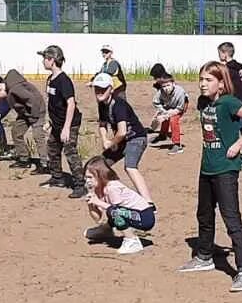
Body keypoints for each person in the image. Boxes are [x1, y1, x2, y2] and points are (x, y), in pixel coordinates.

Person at [178, 60, 242, 292]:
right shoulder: (203, 104)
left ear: (221, 83)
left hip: (226, 169)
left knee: (231, 218)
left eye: (208, 80)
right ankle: (204, 256)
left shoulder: (230, 103)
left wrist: (238, 145)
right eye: (201, 79)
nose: (203, 84)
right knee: (204, 214)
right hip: (207, 167)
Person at [92, 71, 152, 203]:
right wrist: (105, 140)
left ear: (111, 89)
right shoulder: (102, 104)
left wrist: (112, 142)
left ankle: (148, 202)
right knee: (100, 164)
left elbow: (122, 131)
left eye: (103, 88)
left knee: (130, 166)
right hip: (121, 140)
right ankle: (112, 192)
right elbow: (102, 124)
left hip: (136, 138)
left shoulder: (119, 105)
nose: (99, 91)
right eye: (97, 88)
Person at [39, 44, 86, 197]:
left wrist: (66, 128)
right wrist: (50, 122)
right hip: (57, 122)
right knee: (52, 147)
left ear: (52, 60)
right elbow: (52, 103)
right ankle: (57, 177)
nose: (43, 62)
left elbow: (71, 104)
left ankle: (80, 184)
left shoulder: (63, 80)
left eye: (45, 58)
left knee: (70, 151)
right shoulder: (50, 79)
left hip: (69, 123)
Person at [83, 157, 155, 256]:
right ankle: (106, 230)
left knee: (113, 211)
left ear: (101, 175)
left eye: (90, 177)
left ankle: (132, 241)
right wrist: (91, 203)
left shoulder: (112, 187)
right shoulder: (98, 189)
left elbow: (114, 210)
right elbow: (97, 218)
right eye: (86, 177)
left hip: (145, 217)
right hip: (129, 213)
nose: (87, 181)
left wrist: (98, 202)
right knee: (112, 211)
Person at [0, 68, 47, 171]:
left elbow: (32, 100)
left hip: (37, 110)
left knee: (38, 136)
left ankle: (45, 164)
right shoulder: (8, 87)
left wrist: (34, 117)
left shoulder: (15, 89)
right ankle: (24, 159)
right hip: (25, 112)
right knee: (16, 131)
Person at [149, 70, 189, 153]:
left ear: (173, 84)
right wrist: (163, 112)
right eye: (164, 86)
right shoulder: (161, 92)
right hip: (169, 105)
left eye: (168, 85)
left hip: (180, 106)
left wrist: (166, 114)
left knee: (173, 120)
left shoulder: (180, 92)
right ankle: (162, 135)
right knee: (164, 118)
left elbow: (179, 108)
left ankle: (177, 144)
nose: (166, 88)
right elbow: (155, 102)